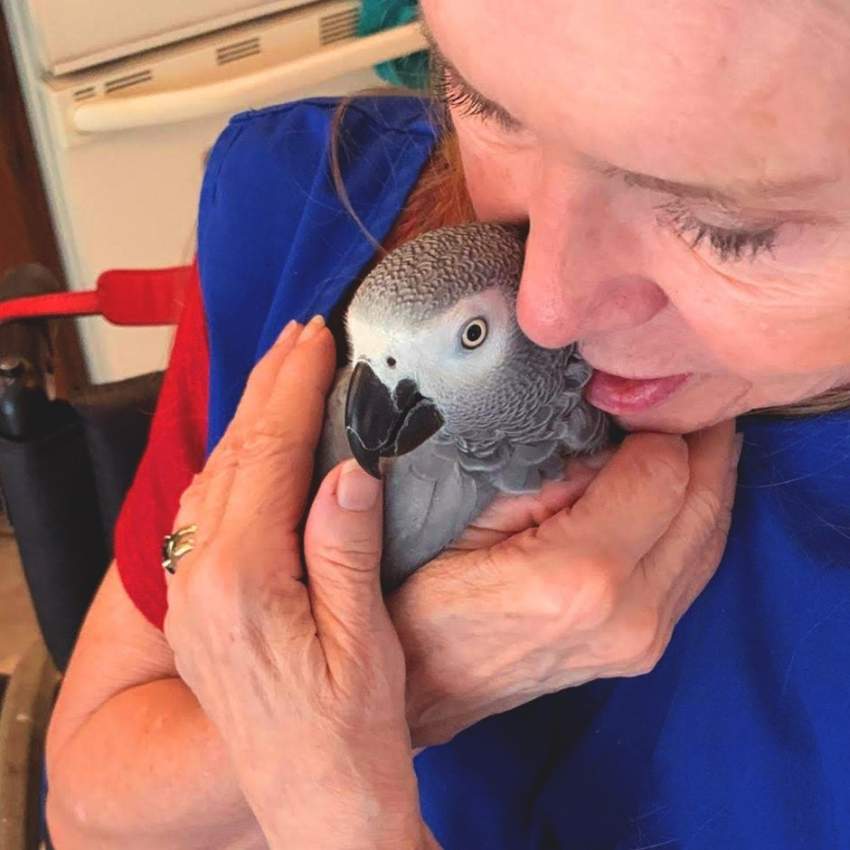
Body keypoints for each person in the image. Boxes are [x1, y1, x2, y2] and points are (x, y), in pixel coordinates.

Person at [44, 1, 850, 848]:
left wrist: (347, 823)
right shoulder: (303, 207)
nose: (547, 306)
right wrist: (413, 683)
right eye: (487, 101)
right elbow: (91, 813)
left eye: (732, 229)